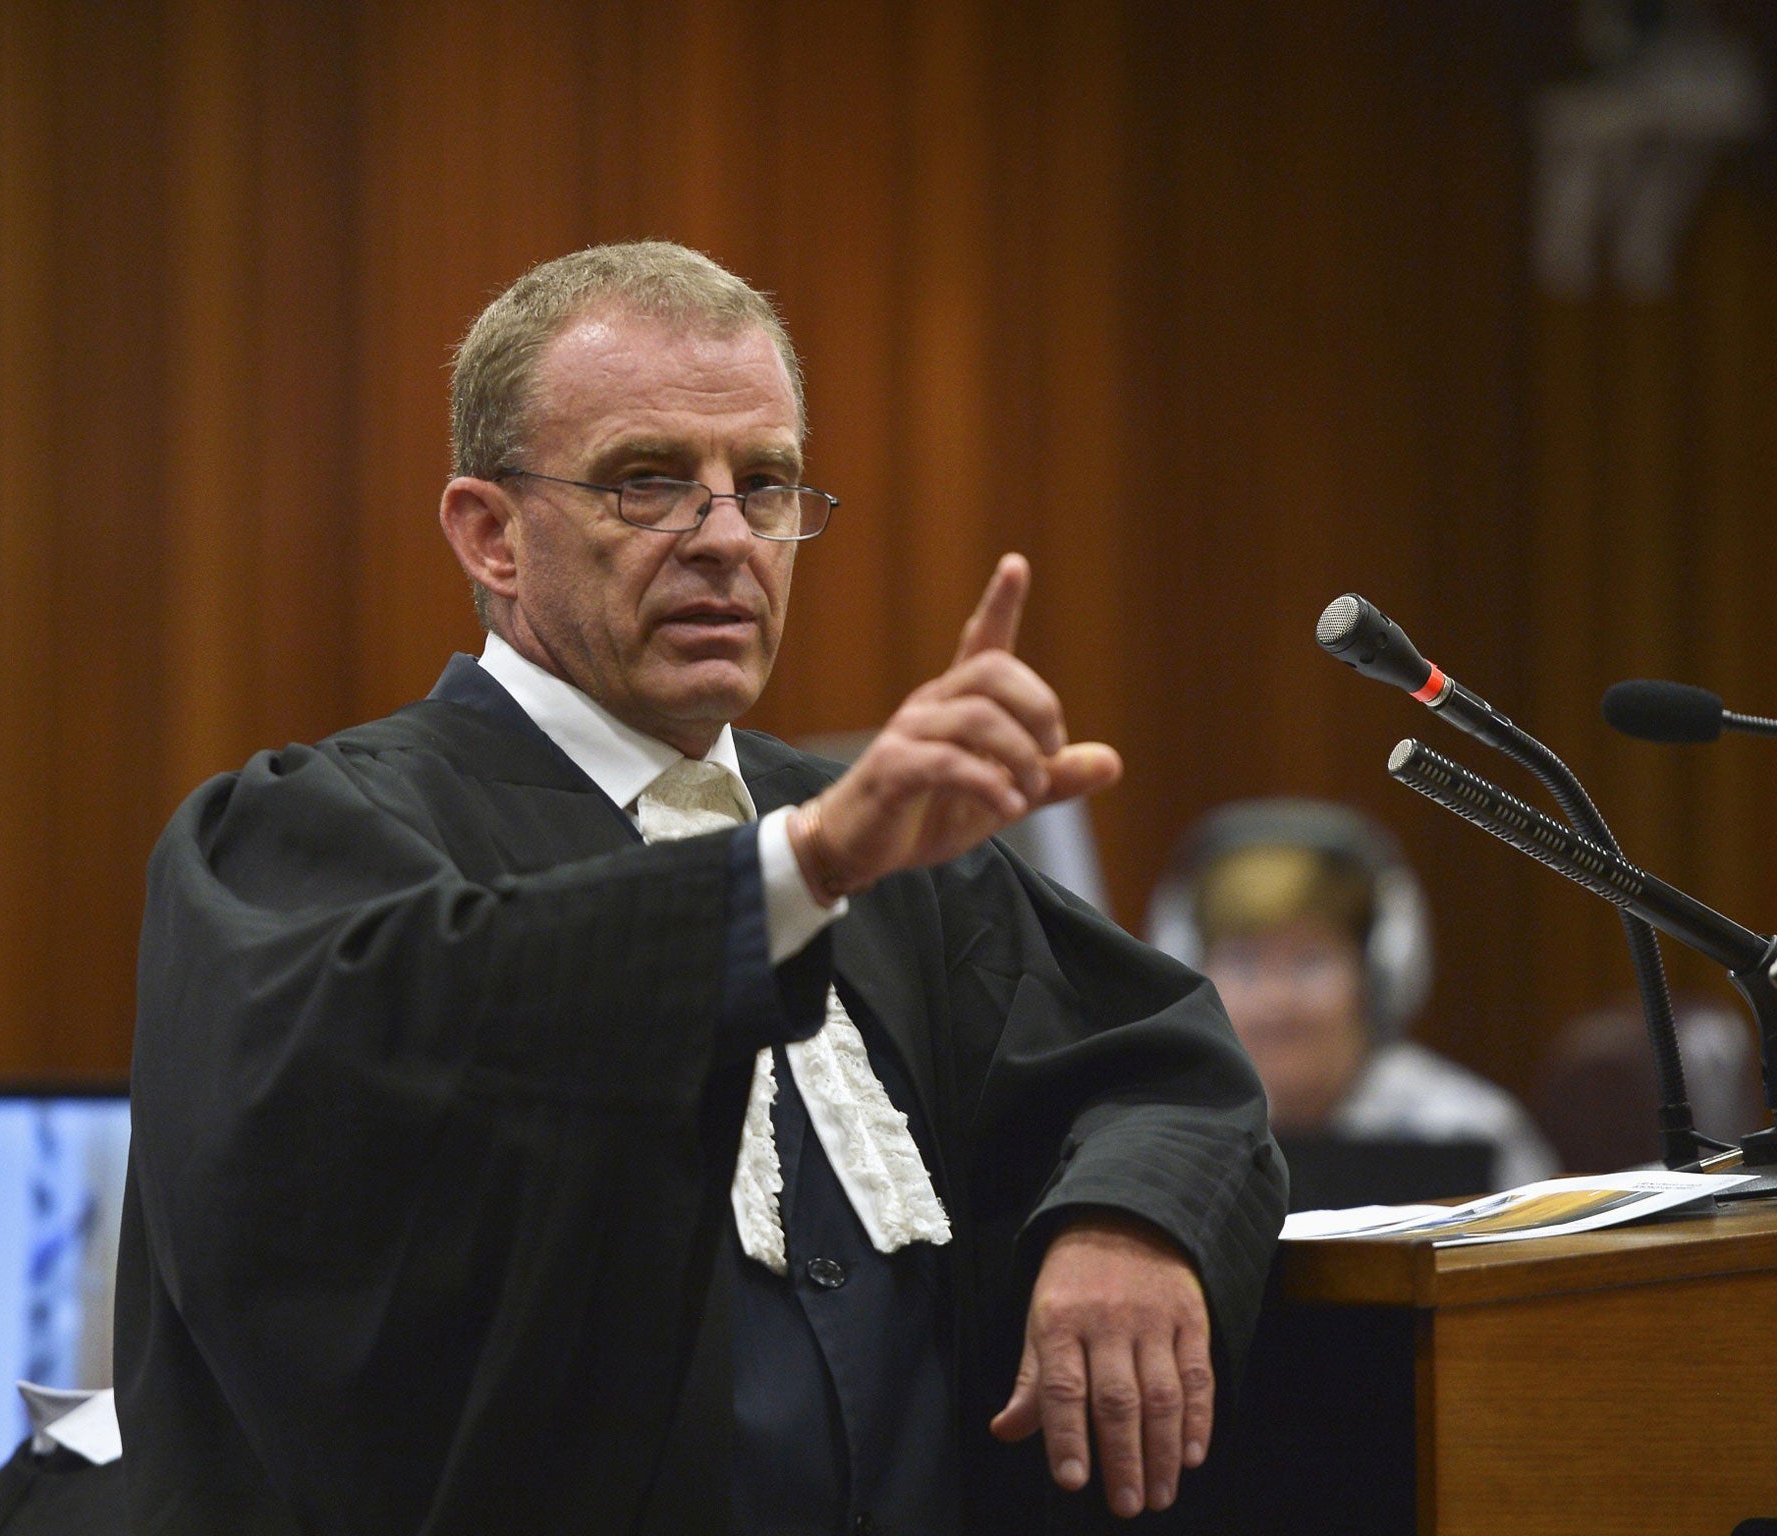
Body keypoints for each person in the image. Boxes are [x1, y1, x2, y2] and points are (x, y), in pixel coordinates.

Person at [114, 242, 1285, 1534]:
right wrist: (804, 870)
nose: (726, 539)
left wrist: (1127, 1224)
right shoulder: (313, 830)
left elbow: (1161, 1067)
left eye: (765, 484)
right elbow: (440, 1040)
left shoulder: (884, 846)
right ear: (491, 534)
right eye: (648, 483)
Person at [1147, 799, 1558, 1197]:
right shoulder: (1157, 1139)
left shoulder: (1471, 1129)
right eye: (1244, 963)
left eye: (1310, 962)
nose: (1277, 999)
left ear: (1378, 973)